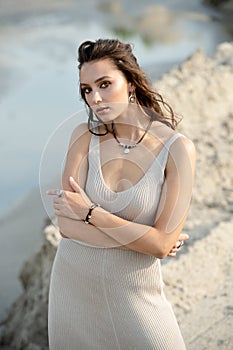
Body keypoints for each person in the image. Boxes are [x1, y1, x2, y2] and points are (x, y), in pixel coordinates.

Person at [47, 38, 196, 349]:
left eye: (104, 84)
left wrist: (91, 214)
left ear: (130, 82)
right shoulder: (83, 137)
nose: (95, 98)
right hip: (74, 288)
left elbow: (160, 244)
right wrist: (144, 240)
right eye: (87, 89)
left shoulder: (176, 149)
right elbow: (66, 227)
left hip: (137, 294)